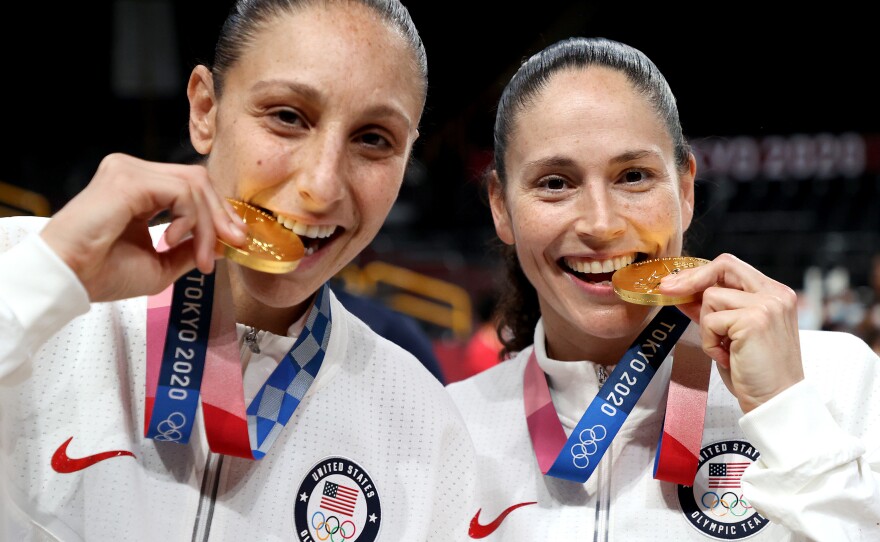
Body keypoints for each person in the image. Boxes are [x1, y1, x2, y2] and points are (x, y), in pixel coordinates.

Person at [0, 1, 477, 540]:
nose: (321, 187)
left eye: (373, 139)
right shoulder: (21, 268)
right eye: (287, 117)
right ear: (206, 110)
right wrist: (45, 286)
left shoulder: (422, 424)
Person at [446, 36, 880, 541]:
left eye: (633, 176)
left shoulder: (834, 380)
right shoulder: (449, 424)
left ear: (686, 189)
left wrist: (785, 415)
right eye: (555, 183)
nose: (601, 224)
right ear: (501, 205)